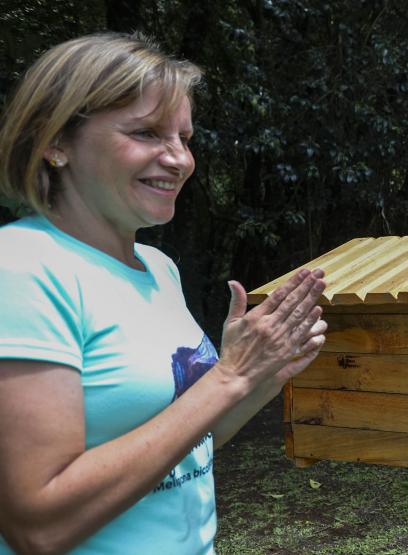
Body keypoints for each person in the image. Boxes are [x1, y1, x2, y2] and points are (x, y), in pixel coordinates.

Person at [0, 33, 328, 554]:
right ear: (54, 141)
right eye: (147, 132)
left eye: (184, 137)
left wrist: (261, 377)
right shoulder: (21, 269)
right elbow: (39, 527)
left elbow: (188, 447)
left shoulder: (158, 268)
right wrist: (229, 375)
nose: (179, 159)